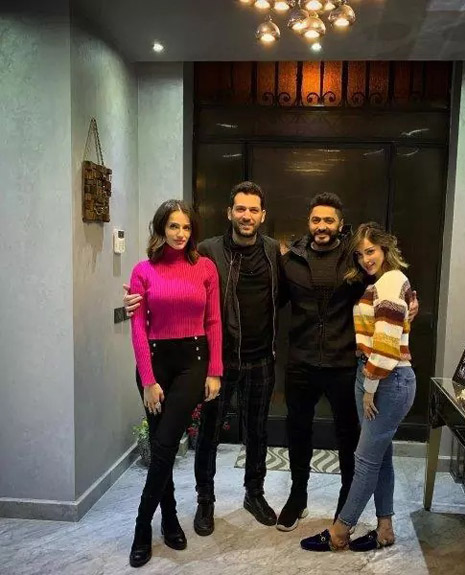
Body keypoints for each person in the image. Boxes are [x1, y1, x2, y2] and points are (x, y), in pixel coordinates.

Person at [124, 182, 282, 536]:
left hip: (255, 358)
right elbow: (154, 314)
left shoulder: (272, 251)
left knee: (257, 431)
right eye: (240, 208)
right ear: (229, 212)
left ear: (262, 215)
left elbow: (282, 295)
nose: (246, 215)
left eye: (253, 210)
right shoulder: (207, 252)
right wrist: (134, 304)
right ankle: (203, 501)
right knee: (206, 434)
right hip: (212, 359)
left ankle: (254, 494)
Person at [277, 197, 418, 532]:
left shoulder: (354, 258)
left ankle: (345, 501)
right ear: (308, 222)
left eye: (329, 220)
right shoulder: (291, 259)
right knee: (297, 430)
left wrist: (412, 298)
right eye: (316, 219)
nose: (321, 226)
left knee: (348, 436)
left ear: (340, 224)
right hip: (301, 360)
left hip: (343, 362)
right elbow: (273, 299)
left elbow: (387, 282)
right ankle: (297, 497)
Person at [127, 200, 222, 568]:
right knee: (159, 443)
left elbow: (213, 321)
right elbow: (138, 327)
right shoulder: (143, 271)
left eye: (186, 227)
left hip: (192, 362)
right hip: (154, 363)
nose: (181, 234)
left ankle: (141, 526)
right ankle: (168, 519)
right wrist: (148, 380)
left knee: (166, 442)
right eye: (173, 226)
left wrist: (215, 371)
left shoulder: (206, 268)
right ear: (161, 229)